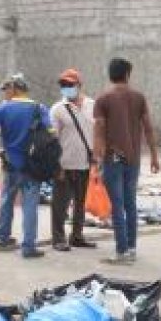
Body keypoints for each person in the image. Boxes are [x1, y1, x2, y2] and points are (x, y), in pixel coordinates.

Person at [0, 72, 51, 259]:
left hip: (10, 163)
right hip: (32, 167)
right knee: (30, 205)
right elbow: (52, 134)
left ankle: (3, 237)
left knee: (7, 200)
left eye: (6, 90)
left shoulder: (3, 109)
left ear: (15, 88)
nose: (4, 94)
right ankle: (28, 247)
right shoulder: (39, 108)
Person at [93, 57, 160, 265]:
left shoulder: (103, 99)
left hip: (113, 157)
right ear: (127, 75)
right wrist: (155, 155)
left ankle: (121, 251)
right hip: (133, 157)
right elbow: (148, 127)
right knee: (130, 203)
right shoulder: (139, 97)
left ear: (110, 74)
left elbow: (99, 130)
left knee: (117, 204)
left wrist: (97, 157)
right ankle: (131, 248)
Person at [49, 68, 97, 252]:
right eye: (63, 85)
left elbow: (97, 133)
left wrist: (97, 157)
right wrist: (56, 165)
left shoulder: (92, 105)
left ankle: (77, 235)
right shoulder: (57, 109)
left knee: (80, 203)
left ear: (79, 85)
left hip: (85, 163)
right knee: (60, 204)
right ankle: (58, 238)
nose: (66, 88)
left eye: (70, 85)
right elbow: (53, 140)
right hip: (64, 164)